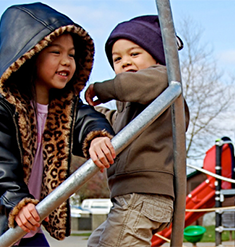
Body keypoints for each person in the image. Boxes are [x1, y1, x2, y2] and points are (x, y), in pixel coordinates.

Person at [0, 2, 116, 247]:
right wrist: (16, 201)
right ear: (29, 55)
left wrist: (97, 137)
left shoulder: (63, 107)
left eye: (71, 54)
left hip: (29, 223)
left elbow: (86, 119)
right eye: (56, 52)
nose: (67, 61)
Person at [85, 15, 189, 246]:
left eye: (134, 54)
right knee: (97, 242)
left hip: (143, 196)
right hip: (131, 198)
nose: (124, 62)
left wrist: (102, 89)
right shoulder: (129, 108)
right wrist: (85, 113)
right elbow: (111, 122)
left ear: (157, 57)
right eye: (117, 58)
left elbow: (130, 85)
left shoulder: (163, 81)